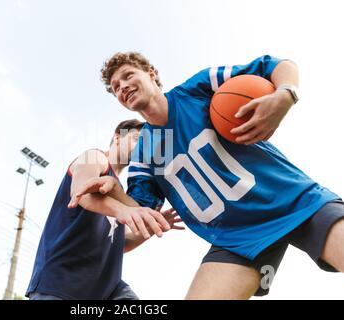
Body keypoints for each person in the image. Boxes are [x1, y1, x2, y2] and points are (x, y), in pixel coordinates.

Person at [91, 52, 344, 299]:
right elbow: (141, 212)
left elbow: (277, 65)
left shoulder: (197, 88)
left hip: (293, 201)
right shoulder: (143, 153)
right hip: (236, 240)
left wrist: (286, 93)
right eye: (115, 87)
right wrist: (112, 191)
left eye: (127, 76)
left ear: (151, 74)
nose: (122, 86)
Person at [26, 119, 184, 300]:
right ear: (117, 137)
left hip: (105, 288)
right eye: (137, 139)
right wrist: (126, 210)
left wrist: (150, 226)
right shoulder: (93, 157)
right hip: (62, 281)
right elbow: (81, 193)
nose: (142, 147)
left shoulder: (119, 192)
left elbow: (118, 244)